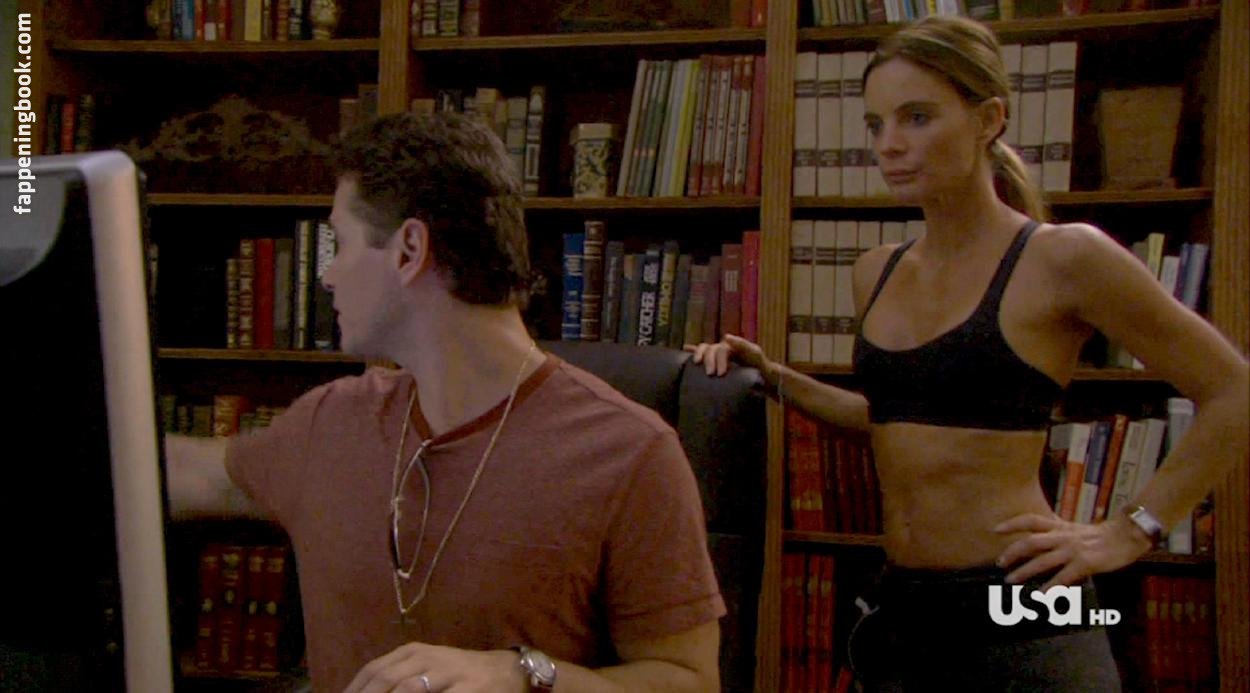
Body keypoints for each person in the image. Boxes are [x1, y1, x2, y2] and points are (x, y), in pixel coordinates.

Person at [688, 14, 1248, 691]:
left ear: (988, 120)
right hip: (906, 605)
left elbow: (1234, 391)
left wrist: (1128, 531)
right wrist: (773, 376)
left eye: (917, 117)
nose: (890, 145)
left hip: (1024, 599)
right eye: (876, 125)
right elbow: (901, 424)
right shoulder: (876, 271)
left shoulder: (1064, 258)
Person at [165, 113, 725, 693]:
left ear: (409, 249)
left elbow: (688, 682)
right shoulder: (330, 420)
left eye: (341, 243)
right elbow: (187, 476)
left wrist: (525, 674)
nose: (327, 276)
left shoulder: (632, 453)